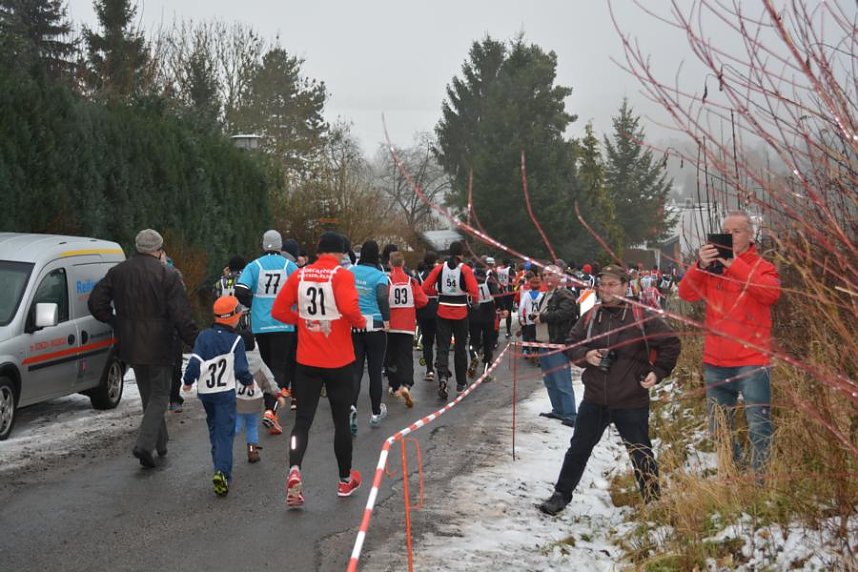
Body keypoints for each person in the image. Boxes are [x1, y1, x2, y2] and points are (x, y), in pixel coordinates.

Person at [538, 264, 681, 515]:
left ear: (626, 286)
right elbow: (572, 344)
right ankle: (560, 495)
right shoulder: (592, 316)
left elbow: (671, 343)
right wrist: (586, 355)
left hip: (630, 398)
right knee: (578, 448)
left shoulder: (641, 315)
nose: (606, 289)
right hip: (595, 398)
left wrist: (658, 372)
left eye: (613, 284)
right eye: (603, 284)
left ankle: (653, 501)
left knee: (640, 451)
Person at [678, 211, 781, 473]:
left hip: (752, 360)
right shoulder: (711, 269)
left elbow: (770, 294)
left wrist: (733, 263)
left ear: (750, 235)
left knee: (758, 424)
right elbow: (686, 294)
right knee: (719, 427)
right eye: (726, 230)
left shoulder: (762, 266)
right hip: (716, 359)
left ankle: (760, 481)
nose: (730, 236)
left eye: (736, 231)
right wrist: (699, 265)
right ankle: (735, 472)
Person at [271, 231, 366, 509]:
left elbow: (278, 310)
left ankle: (295, 470)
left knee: (303, 421)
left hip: (307, 360)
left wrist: (302, 320)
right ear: (340, 252)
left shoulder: (299, 275)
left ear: (319, 251)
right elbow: (349, 308)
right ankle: (344, 479)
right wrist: (358, 321)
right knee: (341, 421)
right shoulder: (342, 275)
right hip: (339, 360)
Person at [89, 229, 198, 469]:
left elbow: (95, 302)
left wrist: (116, 322)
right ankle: (144, 445)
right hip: (160, 344)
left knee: (148, 395)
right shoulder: (167, 275)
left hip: (131, 343)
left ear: (137, 248)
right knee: (160, 395)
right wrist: (196, 341)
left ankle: (160, 444)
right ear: (159, 250)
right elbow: (181, 315)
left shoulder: (118, 272)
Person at [182, 296, 253, 496]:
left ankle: (218, 465)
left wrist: (188, 380)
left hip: (206, 394)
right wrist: (248, 381)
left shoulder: (203, 336)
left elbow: (194, 362)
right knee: (225, 434)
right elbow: (240, 369)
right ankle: (222, 472)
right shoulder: (236, 340)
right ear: (232, 318)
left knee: (214, 429)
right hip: (225, 394)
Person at [235, 230, 298, 435]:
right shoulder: (290, 266)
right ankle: (271, 410)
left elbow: (240, 290)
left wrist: (255, 304)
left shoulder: (254, 266)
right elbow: (301, 292)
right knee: (279, 367)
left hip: (261, 324)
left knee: (266, 366)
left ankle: (267, 408)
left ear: (263, 245)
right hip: (284, 323)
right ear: (280, 246)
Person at [421, 241, 479, 400]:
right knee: (460, 348)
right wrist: (474, 302)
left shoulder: (439, 268)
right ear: (461, 254)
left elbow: (425, 288)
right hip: (460, 312)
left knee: (442, 347)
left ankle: (443, 378)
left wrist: (438, 291)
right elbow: (474, 291)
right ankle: (461, 383)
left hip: (442, 312)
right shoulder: (465, 269)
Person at [348, 240, 391, 433]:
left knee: (356, 370)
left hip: (354, 326)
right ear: (377, 256)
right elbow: (382, 297)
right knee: (375, 371)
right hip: (375, 326)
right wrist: (387, 319)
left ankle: (352, 407)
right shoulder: (380, 276)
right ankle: (375, 413)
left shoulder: (350, 272)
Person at [533, 265, 578, 428]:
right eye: (544, 275)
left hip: (557, 344)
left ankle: (570, 414)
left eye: (550, 274)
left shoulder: (564, 294)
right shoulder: (548, 295)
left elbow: (567, 313)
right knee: (550, 381)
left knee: (561, 381)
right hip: (545, 343)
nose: (547, 277)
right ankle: (558, 410)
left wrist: (543, 317)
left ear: (559, 276)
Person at [236, 330, 286, 464]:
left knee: (235, 425)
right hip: (253, 404)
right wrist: (278, 395)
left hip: (238, 402)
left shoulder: (235, 361)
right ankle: (252, 451)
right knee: (252, 427)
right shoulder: (259, 363)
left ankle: (225, 445)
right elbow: (270, 380)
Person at [386, 251, 428, 407]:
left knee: (391, 356)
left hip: (391, 325)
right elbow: (423, 301)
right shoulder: (412, 281)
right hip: (407, 325)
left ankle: (394, 385)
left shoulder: (387, 280)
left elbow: (382, 298)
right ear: (403, 264)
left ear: (390, 264)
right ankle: (406, 384)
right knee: (406, 356)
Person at [416, 251, 440, 382]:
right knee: (441, 340)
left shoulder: (419, 276)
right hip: (438, 307)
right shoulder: (439, 274)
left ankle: (429, 369)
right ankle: (439, 362)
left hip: (424, 309)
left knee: (427, 342)